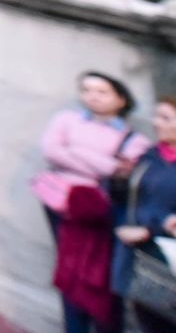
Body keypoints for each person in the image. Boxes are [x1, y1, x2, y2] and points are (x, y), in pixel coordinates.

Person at [34, 71, 151, 333]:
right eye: (87, 90)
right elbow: (52, 150)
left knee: (95, 276)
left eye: (102, 92)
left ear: (120, 99)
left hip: (97, 211)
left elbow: (124, 171)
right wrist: (106, 163)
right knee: (68, 270)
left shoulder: (134, 139)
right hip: (59, 203)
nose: (92, 97)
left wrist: (74, 152)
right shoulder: (66, 119)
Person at [113, 97, 176, 333]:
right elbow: (133, 199)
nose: (156, 123)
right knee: (147, 321)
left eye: (166, 118)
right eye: (156, 116)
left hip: (168, 255)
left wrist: (152, 228)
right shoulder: (150, 156)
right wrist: (120, 179)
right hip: (142, 256)